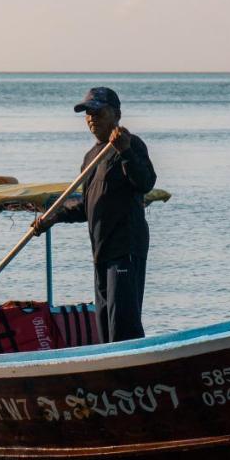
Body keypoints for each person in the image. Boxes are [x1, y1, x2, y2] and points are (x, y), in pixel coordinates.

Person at [35, 87, 156, 342]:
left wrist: (125, 151)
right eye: (88, 113)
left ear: (116, 115)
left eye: (98, 112)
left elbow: (145, 182)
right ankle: (110, 376)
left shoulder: (131, 144)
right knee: (104, 324)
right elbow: (88, 206)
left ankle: (133, 375)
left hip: (125, 250)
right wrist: (53, 217)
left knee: (123, 326)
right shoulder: (91, 157)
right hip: (101, 253)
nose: (91, 118)